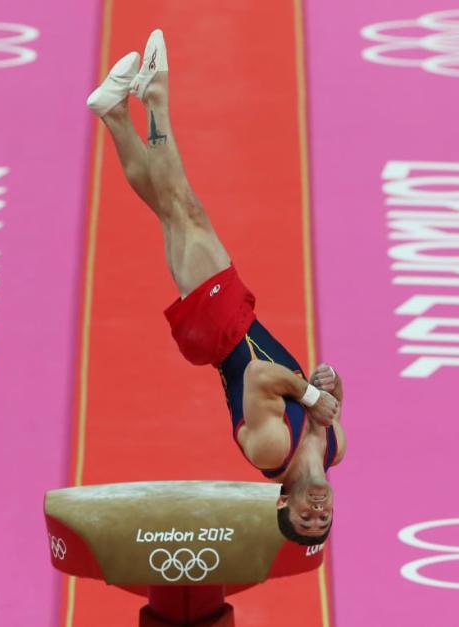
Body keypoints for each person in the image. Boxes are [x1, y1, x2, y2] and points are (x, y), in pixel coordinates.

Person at [86, 29, 347, 545]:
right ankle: (114, 113)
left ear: (284, 503)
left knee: (184, 205)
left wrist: (311, 392)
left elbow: (259, 377)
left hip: (222, 333)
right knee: (169, 210)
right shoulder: (335, 449)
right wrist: (328, 381)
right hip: (228, 324)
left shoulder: (272, 452)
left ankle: (153, 98)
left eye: (304, 519)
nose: (315, 512)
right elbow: (325, 398)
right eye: (323, 521)